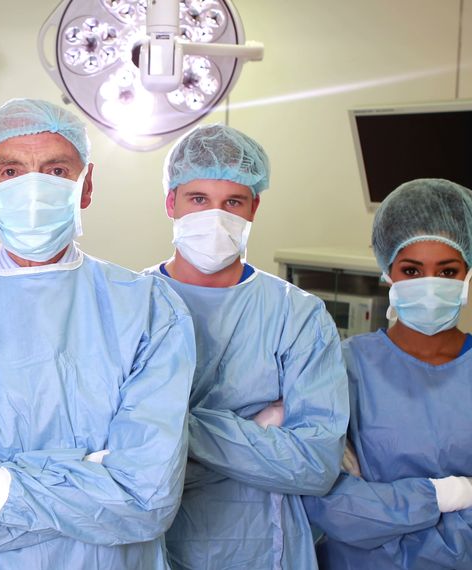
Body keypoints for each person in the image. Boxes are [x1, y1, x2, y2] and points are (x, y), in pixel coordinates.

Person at [0, 98, 196, 569]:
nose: (33, 190)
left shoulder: (151, 310)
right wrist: (91, 476)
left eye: (56, 171)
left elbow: (146, 499)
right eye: (10, 172)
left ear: (86, 185)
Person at [303, 178, 472, 568]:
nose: (430, 285)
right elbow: (329, 505)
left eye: (447, 270)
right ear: (387, 271)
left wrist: (385, 525)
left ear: (470, 271)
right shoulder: (340, 370)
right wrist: (449, 496)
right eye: (412, 269)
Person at [143, 124, 349, 569]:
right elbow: (104, 448)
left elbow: (315, 464)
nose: (214, 217)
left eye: (232, 202)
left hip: (260, 547)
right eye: (198, 199)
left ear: (254, 207)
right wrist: (258, 429)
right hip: (148, 546)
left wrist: (171, 424)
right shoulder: (128, 303)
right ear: (170, 203)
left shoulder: (297, 316)